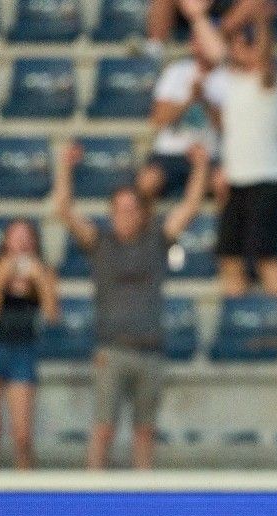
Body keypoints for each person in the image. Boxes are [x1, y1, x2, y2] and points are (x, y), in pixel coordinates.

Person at [53, 141, 209, 470]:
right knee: (103, 429)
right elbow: (64, 210)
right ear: (111, 214)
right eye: (120, 209)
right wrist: (65, 167)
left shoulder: (156, 239)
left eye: (132, 209)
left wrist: (199, 167)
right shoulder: (99, 242)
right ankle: (94, 491)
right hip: (112, 350)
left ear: (142, 212)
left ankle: (144, 493)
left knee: (145, 432)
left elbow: (191, 207)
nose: (126, 215)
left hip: (150, 350)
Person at [203, 4, 277, 298]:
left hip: (266, 177)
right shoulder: (231, 84)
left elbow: (265, 57)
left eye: (246, 43)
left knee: (265, 256)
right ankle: (237, 313)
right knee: (229, 256)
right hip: (236, 179)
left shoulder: (270, 81)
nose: (239, 47)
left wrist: (261, 22)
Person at [0, 219, 60, 470]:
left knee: (22, 435)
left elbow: (52, 316)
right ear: (6, 241)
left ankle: (25, 485)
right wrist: (4, 277)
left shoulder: (44, 270)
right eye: (16, 236)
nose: (21, 241)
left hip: (23, 349)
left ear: (35, 242)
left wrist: (39, 280)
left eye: (26, 236)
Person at [137, 0, 225, 201]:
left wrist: (205, 101)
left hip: (210, 153)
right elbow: (158, 118)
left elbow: (226, 126)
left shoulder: (227, 77)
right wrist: (189, 100)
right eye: (198, 40)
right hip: (170, 154)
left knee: (223, 182)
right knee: (146, 182)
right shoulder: (175, 71)